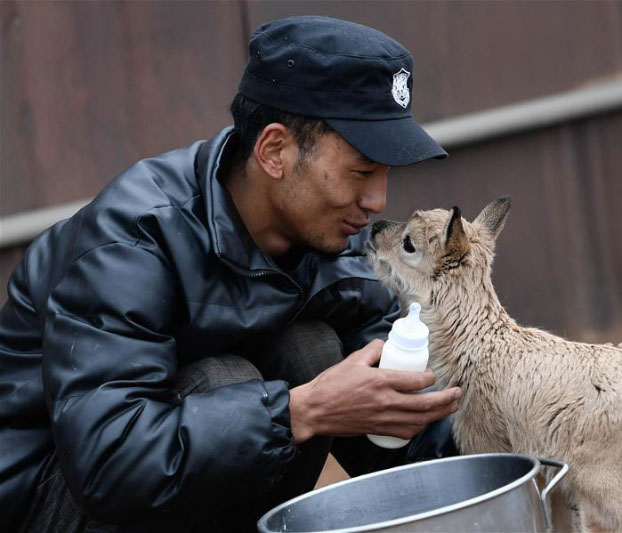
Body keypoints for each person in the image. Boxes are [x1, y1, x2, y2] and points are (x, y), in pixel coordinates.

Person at [0, 16, 462, 532]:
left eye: (385, 174)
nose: (377, 201)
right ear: (274, 151)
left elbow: (398, 416)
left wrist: (502, 459)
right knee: (231, 381)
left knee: (313, 351)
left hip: (153, 487)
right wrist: (299, 412)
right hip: (44, 498)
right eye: (360, 171)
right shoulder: (131, 241)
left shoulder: (331, 237)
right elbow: (108, 465)